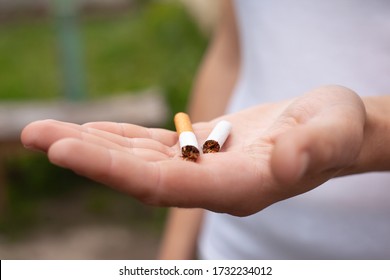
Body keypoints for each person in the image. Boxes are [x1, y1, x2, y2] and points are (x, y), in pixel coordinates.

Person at [21, 0, 390, 259]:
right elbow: (229, 53)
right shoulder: (202, 149)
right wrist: (174, 256)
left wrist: (371, 133)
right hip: (233, 249)